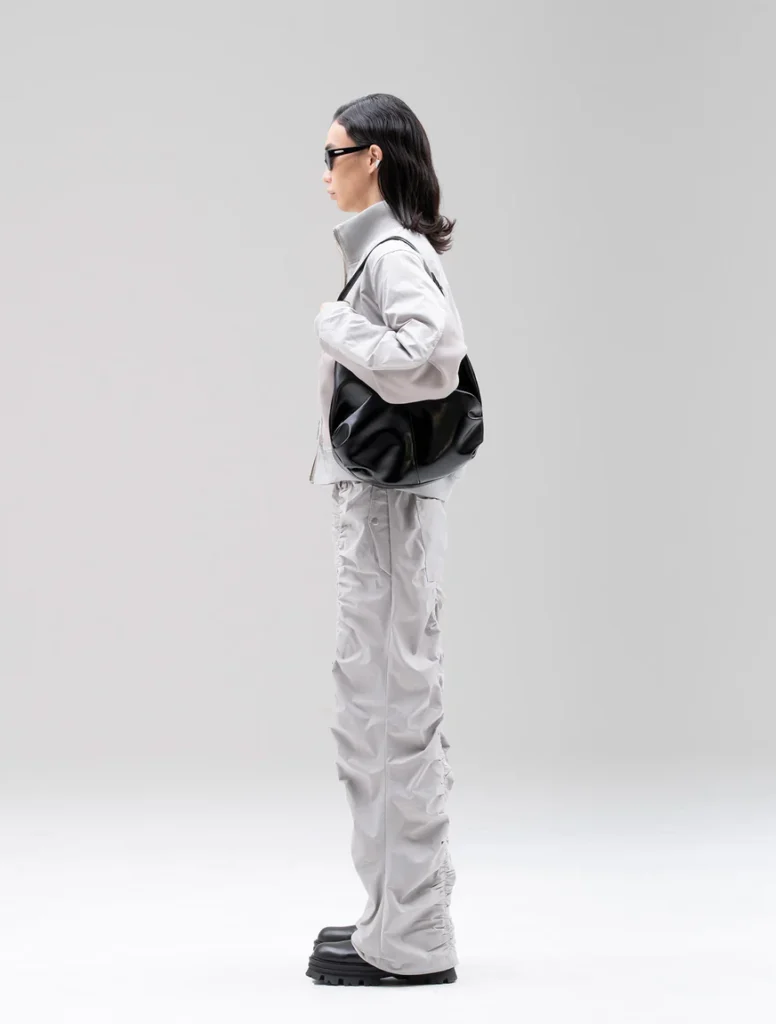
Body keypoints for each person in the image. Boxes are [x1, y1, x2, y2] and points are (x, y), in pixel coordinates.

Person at [305, 93, 470, 988]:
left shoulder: (393, 255)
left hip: (389, 513)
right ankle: (391, 917)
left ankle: (412, 937)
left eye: (332, 154)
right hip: (385, 510)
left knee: (391, 713)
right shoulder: (383, 252)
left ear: (373, 157)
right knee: (376, 711)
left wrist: (336, 327)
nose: (324, 172)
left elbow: (430, 355)